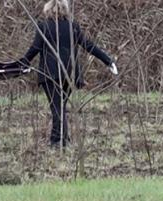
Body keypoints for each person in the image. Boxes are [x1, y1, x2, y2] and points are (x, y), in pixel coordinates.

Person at [18, 0, 118, 149]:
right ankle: (63, 139)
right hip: (70, 74)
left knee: (57, 108)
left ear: (48, 10)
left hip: (50, 74)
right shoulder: (73, 27)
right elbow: (88, 45)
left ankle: (57, 142)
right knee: (60, 106)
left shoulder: (43, 26)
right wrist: (108, 61)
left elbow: (34, 49)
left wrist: (20, 64)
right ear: (66, 10)